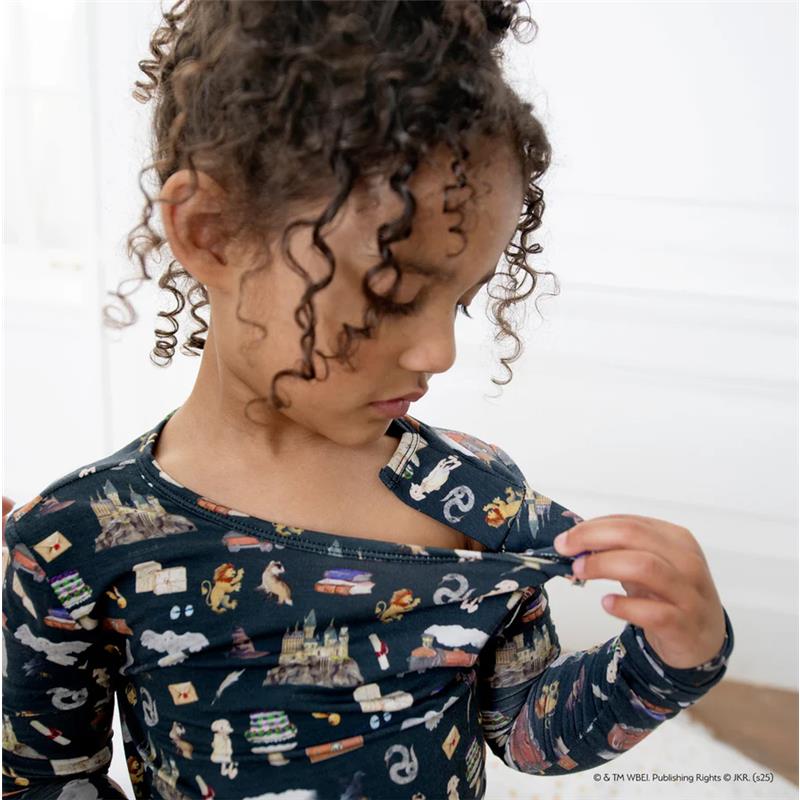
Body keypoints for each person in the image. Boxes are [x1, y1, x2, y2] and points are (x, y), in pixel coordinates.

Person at [2, 2, 734, 798]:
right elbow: (46, 781)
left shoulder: (470, 497)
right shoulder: (73, 541)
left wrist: (671, 658)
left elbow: (527, 731)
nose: (439, 353)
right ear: (212, 233)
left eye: (460, 301)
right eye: (391, 295)